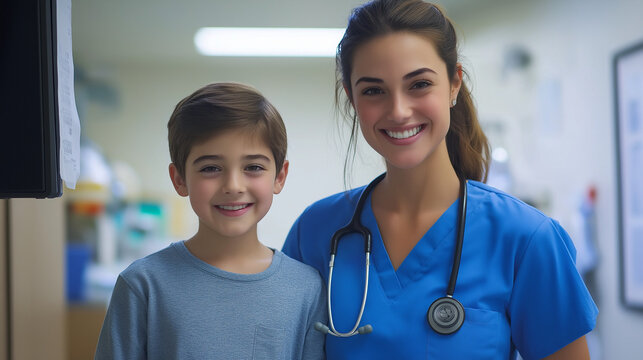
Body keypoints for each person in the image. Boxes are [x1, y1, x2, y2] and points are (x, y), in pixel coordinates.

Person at [282, 0, 598, 359]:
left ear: (453, 85)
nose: (399, 111)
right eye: (373, 90)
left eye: (418, 84)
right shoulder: (316, 232)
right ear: (351, 98)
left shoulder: (525, 239)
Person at [95, 82, 326, 359]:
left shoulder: (306, 288)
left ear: (279, 176)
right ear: (179, 179)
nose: (233, 185)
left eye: (253, 167)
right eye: (211, 168)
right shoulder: (143, 285)